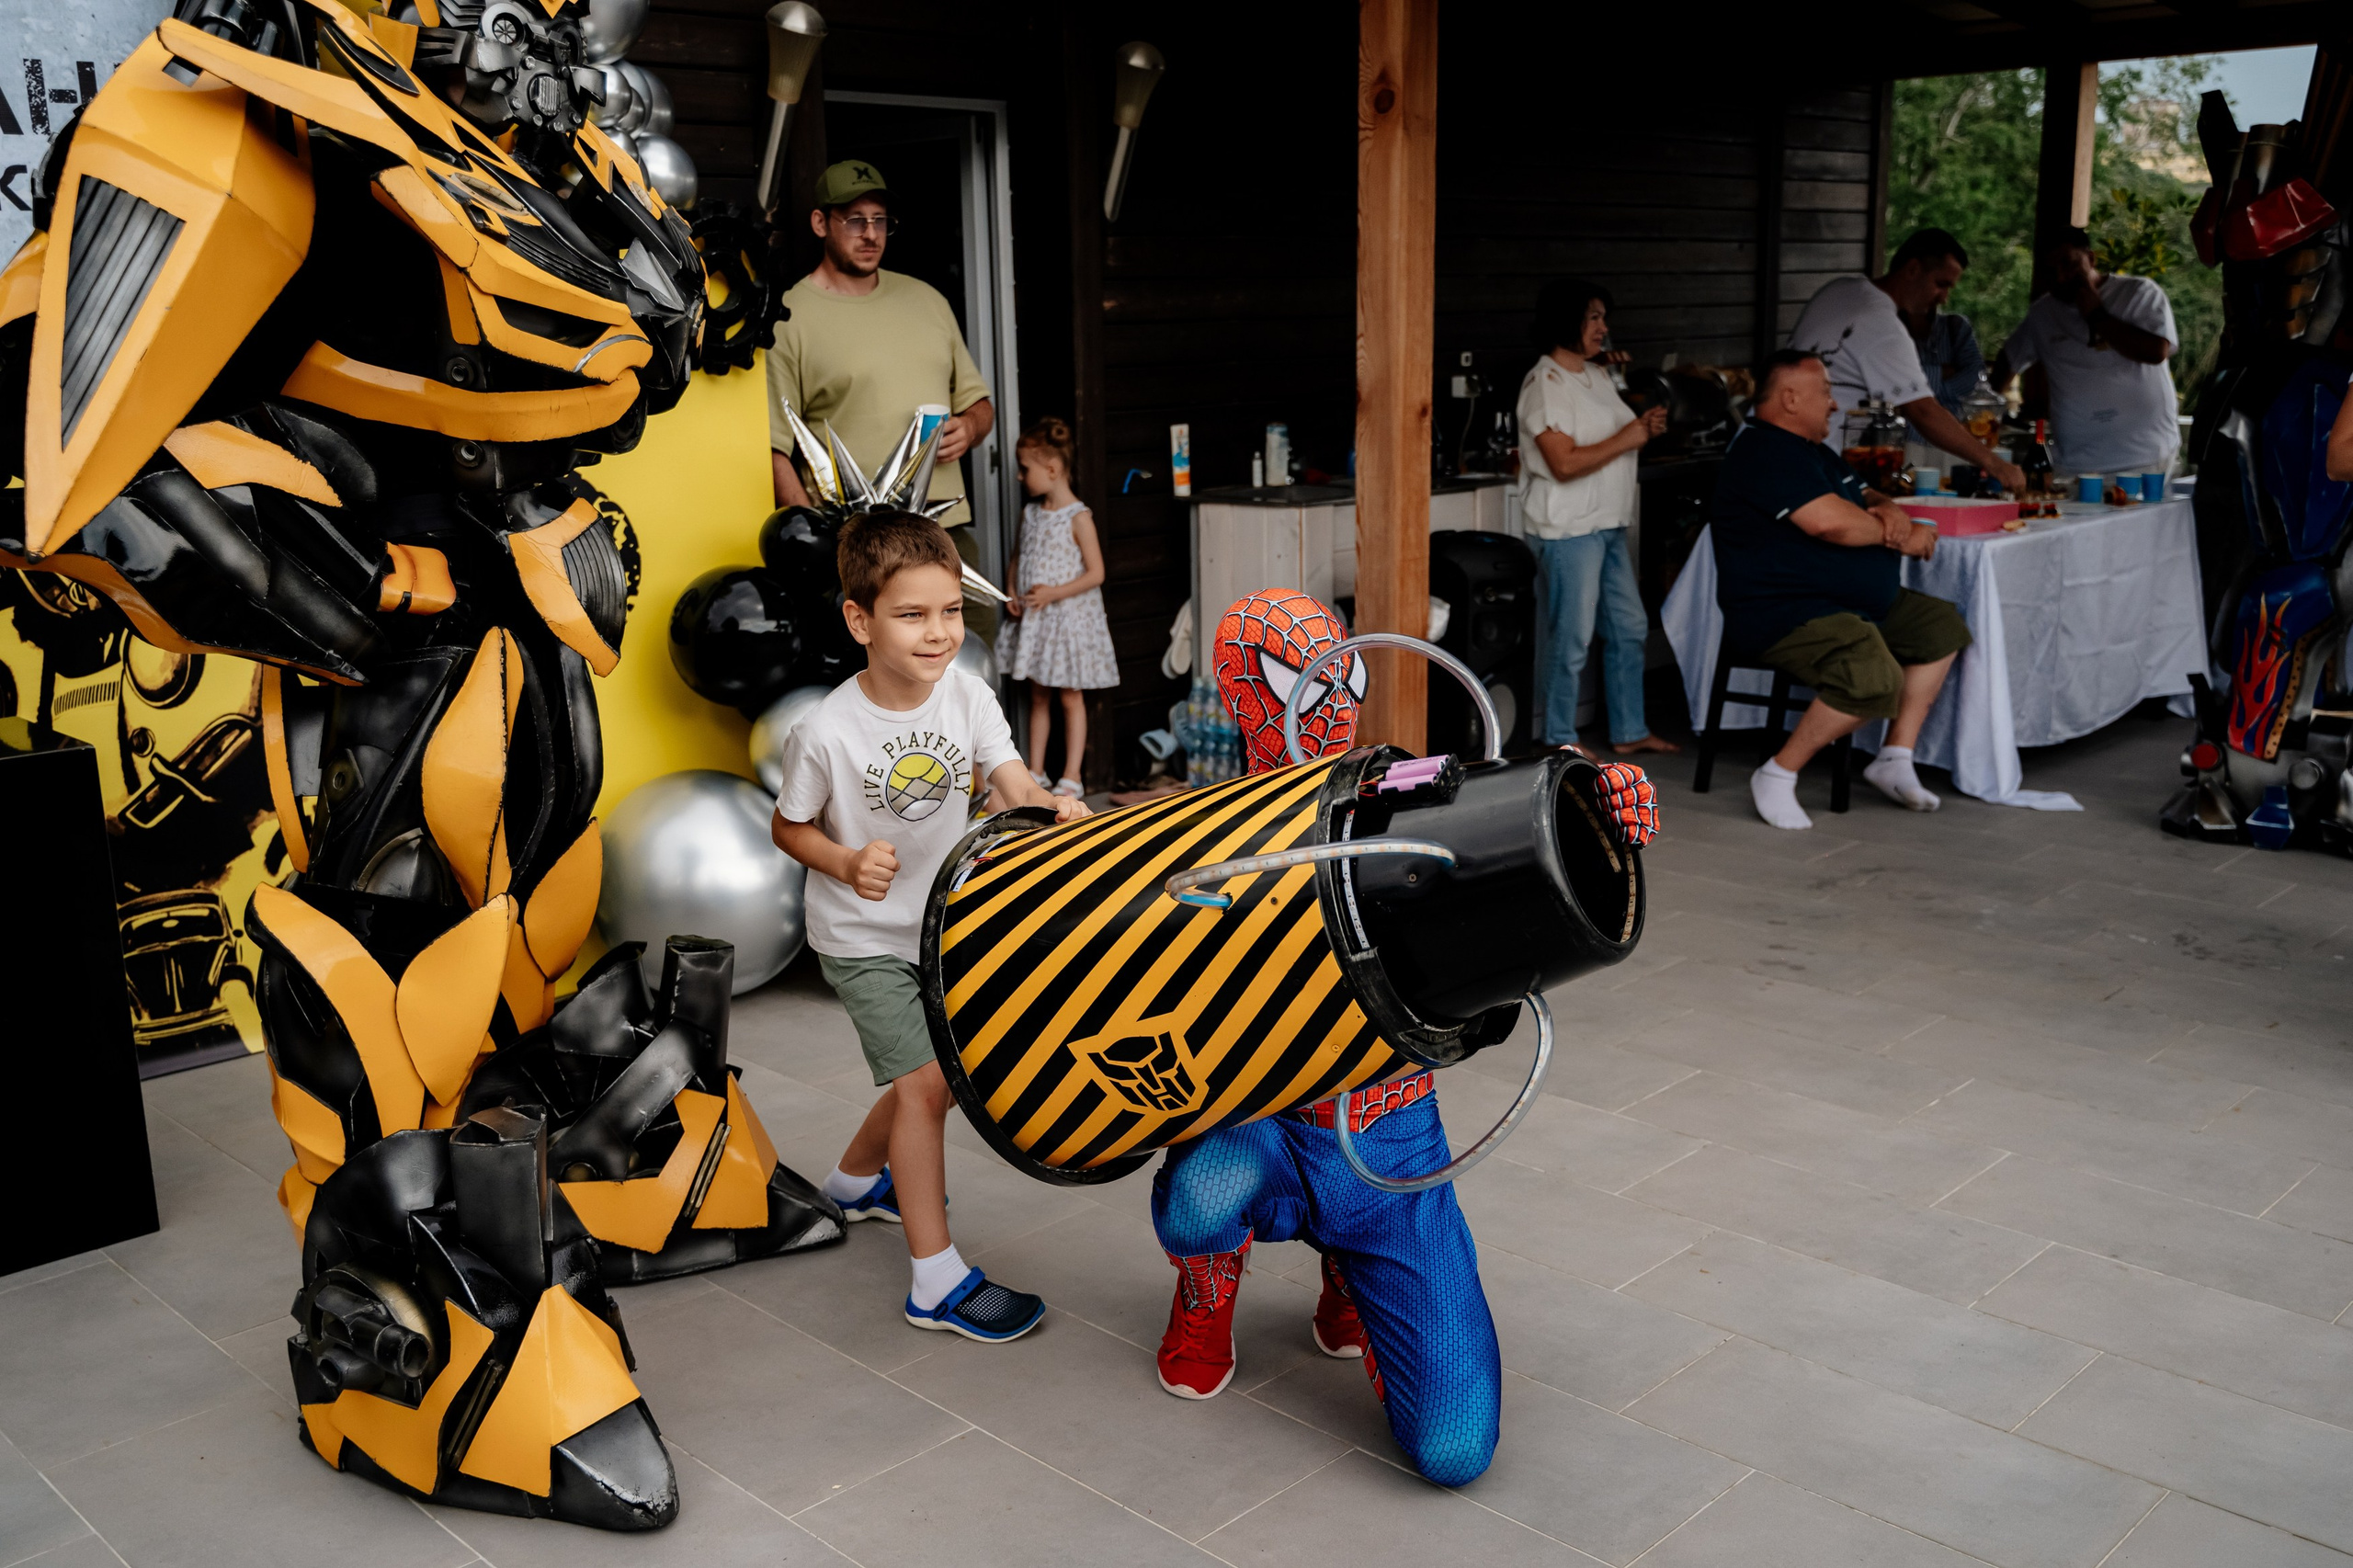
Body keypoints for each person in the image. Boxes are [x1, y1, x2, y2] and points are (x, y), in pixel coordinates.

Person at [1147, 588, 1664, 1487]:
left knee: (1454, 1449)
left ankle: (1355, 1276)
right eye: (1287, 683)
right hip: (1263, 1128)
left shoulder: (1403, 803)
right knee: (1201, 1190)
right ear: (1240, 691)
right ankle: (1207, 1283)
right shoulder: (1207, 843)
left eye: (1331, 677)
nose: (1321, 706)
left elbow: (1503, 832)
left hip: (1388, 1151)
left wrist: (1584, 808)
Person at [771, 511, 1087, 1341]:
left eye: (949, 611)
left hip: (944, 923)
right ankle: (935, 1283)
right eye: (912, 615)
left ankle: (853, 1182)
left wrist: (1058, 808)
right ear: (859, 621)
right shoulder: (827, 731)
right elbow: (789, 828)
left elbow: (1012, 784)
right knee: (927, 1087)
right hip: (862, 937)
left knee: (932, 1069)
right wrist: (842, 863)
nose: (939, 632)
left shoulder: (969, 694)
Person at [1711, 350, 1973, 831]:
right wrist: (1906, 536)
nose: (1834, 405)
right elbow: (1831, 523)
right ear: (1790, 399)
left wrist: (1888, 508)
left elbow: (1861, 494)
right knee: (1872, 677)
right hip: (1787, 611)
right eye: (1826, 392)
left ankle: (1894, 757)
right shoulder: (1762, 451)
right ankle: (1778, 772)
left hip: (1849, 602)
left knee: (1940, 626)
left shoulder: (1813, 450)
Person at [767, 159, 999, 634]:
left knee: (973, 654)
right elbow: (772, 449)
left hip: (943, 530)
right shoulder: (791, 317)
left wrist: (970, 428)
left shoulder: (928, 301)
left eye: (880, 221)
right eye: (855, 220)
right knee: (881, 684)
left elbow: (980, 405)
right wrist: (818, 541)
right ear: (820, 223)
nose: (870, 234)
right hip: (858, 543)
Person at [1514, 278, 1678, 755]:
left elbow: (1613, 432)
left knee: (1628, 628)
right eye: (1594, 318)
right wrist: (1629, 437)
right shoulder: (1544, 385)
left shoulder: (1595, 375)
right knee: (1572, 638)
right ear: (1566, 323)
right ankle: (1560, 739)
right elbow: (1563, 464)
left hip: (1605, 524)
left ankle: (1629, 730)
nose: (1604, 328)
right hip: (1568, 530)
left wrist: (1643, 428)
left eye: (1603, 317)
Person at [1787, 229, 2026, 493]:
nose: (1944, 298)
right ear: (1912, 269)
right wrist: (1994, 463)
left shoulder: (1839, 290)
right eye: (1941, 284)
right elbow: (1923, 411)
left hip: (1781, 446)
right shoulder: (1881, 322)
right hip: (1814, 464)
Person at [1990, 228, 2180, 478]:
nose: (2060, 277)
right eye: (2050, 271)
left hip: (2146, 461)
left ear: (2090, 259)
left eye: (2068, 264)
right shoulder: (2042, 314)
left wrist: (2096, 314)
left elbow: (2156, 351)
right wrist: (1987, 414)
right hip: (2073, 466)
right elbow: (2005, 366)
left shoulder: (2139, 293)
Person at [998, 416, 1118, 797]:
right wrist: (1012, 591)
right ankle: (1036, 770)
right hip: (1037, 620)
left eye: (1024, 468)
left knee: (1069, 695)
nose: (1020, 476)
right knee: (1037, 695)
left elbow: (1096, 572)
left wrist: (1053, 593)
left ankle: (1072, 775)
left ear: (1051, 469)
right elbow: (1019, 556)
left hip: (1065, 621)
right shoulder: (1030, 513)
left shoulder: (1078, 517)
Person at [1905, 302, 1986, 419]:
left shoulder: (1955, 326)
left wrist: (1921, 389)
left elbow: (1976, 381)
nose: (1944, 298)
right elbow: (1892, 381)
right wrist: (1941, 373)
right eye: (1940, 285)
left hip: (1955, 428)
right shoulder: (1888, 331)